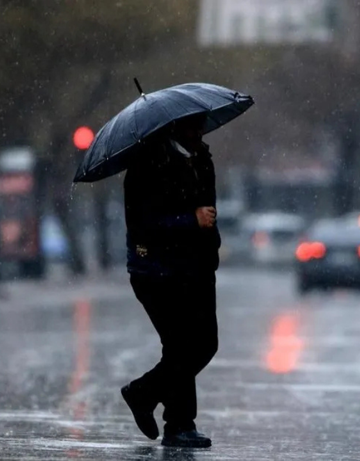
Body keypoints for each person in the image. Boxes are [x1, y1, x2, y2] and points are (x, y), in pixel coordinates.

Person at [120, 113, 220, 449]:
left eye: (202, 124)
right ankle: (176, 423)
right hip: (158, 272)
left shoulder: (201, 158)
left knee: (203, 344)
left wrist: (210, 247)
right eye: (194, 124)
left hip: (197, 268)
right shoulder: (147, 164)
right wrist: (189, 220)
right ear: (175, 126)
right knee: (182, 347)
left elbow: (210, 210)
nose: (201, 130)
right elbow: (144, 224)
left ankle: (148, 397)